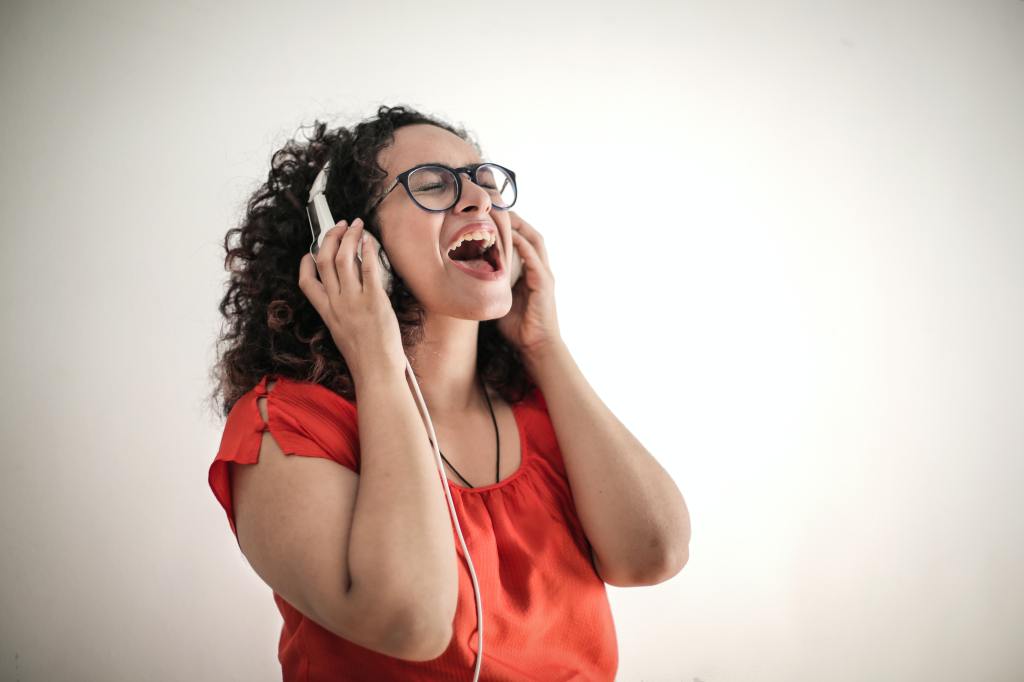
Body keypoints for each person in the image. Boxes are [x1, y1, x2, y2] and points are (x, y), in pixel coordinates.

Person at [207, 105, 680, 681]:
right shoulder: (284, 426)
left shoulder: (541, 406)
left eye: (485, 181)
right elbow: (411, 623)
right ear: (350, 241)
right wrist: (379, 361)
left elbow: (653, 556)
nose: (478, 199)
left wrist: (545, 346)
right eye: (432, 185)